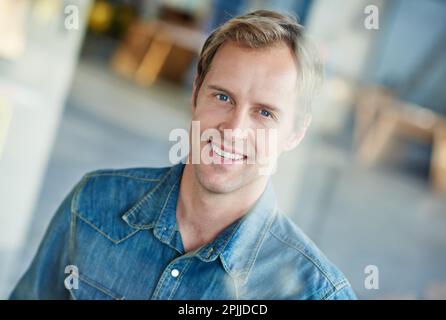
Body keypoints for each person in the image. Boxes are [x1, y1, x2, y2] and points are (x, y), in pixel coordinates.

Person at [10, 10, 356, 300]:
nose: (233, 130)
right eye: (223, 97)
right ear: (195, 96)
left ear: (296, 132)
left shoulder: (315, 292)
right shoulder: (93, 204)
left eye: (264, 113)